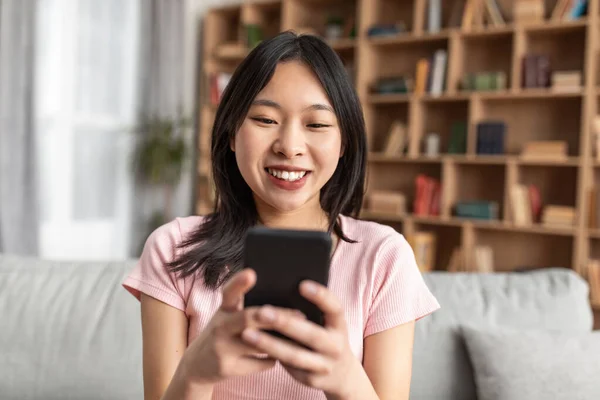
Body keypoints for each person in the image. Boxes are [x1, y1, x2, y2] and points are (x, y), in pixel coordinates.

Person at [122, 30, 440, 400]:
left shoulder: (385, 257)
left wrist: (344, 379)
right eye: (265, 119)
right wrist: (196, 372)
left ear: (344, 144)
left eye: (316, 124)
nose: (289, 146)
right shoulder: (172, 248)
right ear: (230, 134)